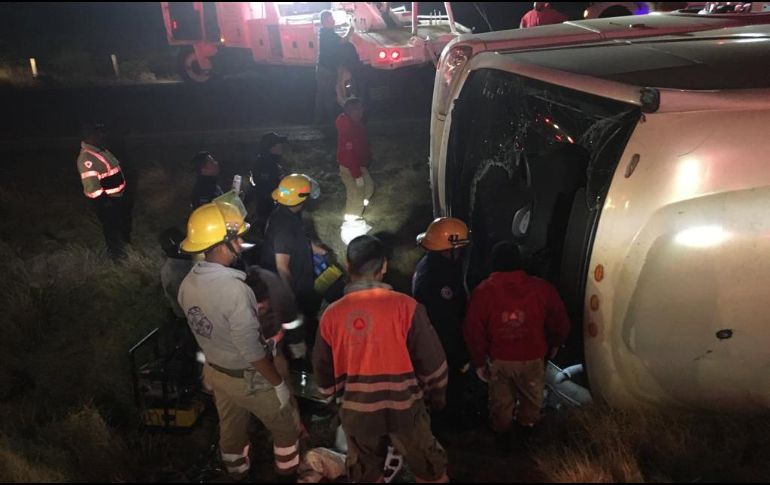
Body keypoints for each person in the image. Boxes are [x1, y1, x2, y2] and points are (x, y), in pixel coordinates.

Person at [177, 200, 302, 481]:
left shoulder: (187, 284)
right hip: (248, 378)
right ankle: (288, 474)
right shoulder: (235, 290)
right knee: (285, 429)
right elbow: (251, 351)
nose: (242, 242)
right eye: (238, 237)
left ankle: (237, 475)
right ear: (223, 244)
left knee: (231, 431)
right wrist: (278, 384)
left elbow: (203, 330)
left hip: (217, 372)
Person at [313, 235, 450, 483]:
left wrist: (333, 401)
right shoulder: (407, 307)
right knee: (430, 469)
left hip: (358, 411)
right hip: (405, 410)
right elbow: (433, 363)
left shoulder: (330, 315)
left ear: (347, 264)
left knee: (366, 472)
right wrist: (437, 396)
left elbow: (323, 369)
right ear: (384, 266)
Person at [463, 241, 570, 450]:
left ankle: (503, 443)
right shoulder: (542, 288)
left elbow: (473, 330)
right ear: (520, 262)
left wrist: (478, 361)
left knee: (500, 403)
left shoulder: (483, 291)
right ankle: (527, 438)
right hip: (532, 358)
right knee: (532, 401)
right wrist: (556, 343)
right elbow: (560, 320)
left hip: (499, 360)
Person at [412, 217, 472, 428]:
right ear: (450, 248)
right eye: (460, 248)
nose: (463, 252)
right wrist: (460, 357)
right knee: (449, 388)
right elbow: (445, 324)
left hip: (433, 341)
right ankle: (449, 426)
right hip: (442, 347)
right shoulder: (438, 280)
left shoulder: (431, 264)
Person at [260, 174, 325, 362]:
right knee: (299, 329)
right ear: (302, 198)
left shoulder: (288, 213)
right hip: (292, 289)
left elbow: (299, 240)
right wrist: (290, 300)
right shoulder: (284, 226)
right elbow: (282, 267)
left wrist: (316, 250)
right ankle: (300, 362)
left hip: (299, 283)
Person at [76, 122, 131, 260]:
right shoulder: (87, 158)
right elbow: (91, 187)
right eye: (98, 133)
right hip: (107, 201)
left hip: (117, 197)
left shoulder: (100, 150)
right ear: (89, 136)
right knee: (112, 229)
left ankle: (124, 248)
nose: (102, 135)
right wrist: (104, 202)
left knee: (120, 224)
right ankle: (117, 257)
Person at [336, 97, 374, 222]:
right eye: (357, 110)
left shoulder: (356, 124)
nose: (361, 112)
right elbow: (349, 154)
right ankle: (351, 221)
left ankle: (358, 213)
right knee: (355, 196)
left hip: (359, 166)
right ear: (350, 112)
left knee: (368, 188)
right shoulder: (348, 129)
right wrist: (357, 175)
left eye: (361, 109)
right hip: (350, 168)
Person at [315, 9, 353, 125]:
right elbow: (343, 41)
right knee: (329, 96)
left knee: (322, 95)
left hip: (323, 69)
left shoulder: (325, 33)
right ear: (325, 21)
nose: (334, 21)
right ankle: (333, 123)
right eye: (331, 19)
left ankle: (319, 121)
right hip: (326, 71)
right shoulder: (328, 34)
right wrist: (350, 30)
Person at [248, 132, 288, 231]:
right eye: (279, 143)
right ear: (271, 147)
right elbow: (268, 189)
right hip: (269, 209)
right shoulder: (266, 165)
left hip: (271, 207)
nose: (282, 146)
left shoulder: (269, 161)